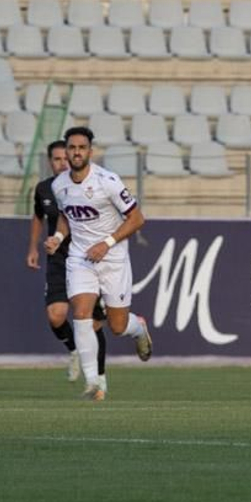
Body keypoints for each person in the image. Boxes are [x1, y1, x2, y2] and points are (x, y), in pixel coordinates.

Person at [44, 126, 152, 401]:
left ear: (90, 152)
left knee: (117, 326)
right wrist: (57, 237)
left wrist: (107, 243)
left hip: (112, 258)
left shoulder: (108, 181)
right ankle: (93, 383)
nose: (76, 152)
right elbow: (67, 216)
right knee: (81, 313)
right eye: (72, 147)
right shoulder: (59, 185)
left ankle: (138, 327)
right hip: (80, 256)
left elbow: (137, 219)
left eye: (82, 147)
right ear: (66, 151)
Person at [27, 138, 107, 386]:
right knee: (56, 315)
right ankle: (73, 350)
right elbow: (39, 216)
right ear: (50, 162)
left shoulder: (91, 185)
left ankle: (98, 379)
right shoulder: (44, 189)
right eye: (57, 159)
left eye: (66, 157)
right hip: (59, 259)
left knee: (92, 322)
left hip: (88, 258)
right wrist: (33, 247)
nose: (63, 163)